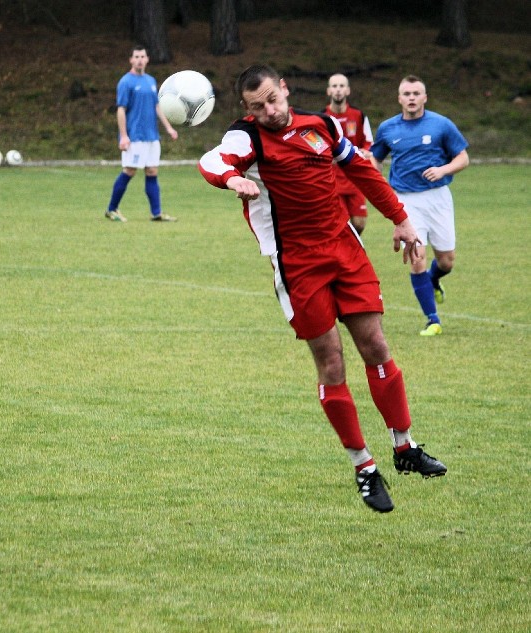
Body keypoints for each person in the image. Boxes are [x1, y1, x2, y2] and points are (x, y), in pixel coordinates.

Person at [198, 64, 447, 513]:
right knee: (331, 360)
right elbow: (211, 160)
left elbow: (364, 172)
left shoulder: (322, 126)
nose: (270, 111)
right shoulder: (246, 137)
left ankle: (404, 447)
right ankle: (364, 466)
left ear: (285, 89)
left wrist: (401, 218)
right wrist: (232, 177)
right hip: (297, 264)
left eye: (274, 99)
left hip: (344, 250)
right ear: (246, 109)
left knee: (376, 344)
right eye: (258, 106)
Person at [371, 75, 469, 337]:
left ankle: (434, 279)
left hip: (438, 198)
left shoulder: (441, 125)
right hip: (406, 202)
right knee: (417, 259)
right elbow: (375, 159)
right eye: (407, 93)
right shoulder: (388, 128)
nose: (412, 98)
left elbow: (463, 157)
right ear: (399, 98)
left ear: (425, 97)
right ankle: (432, 319)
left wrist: (443, 169)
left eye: (416, 93)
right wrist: (378, 186)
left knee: (446, 261)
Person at [105, 45, 179, 223]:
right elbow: (121, 109)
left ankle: (157, 213)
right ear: (131, 60)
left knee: (152, 171)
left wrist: (168, 127)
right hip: (135, 136)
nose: (139, 59)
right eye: (136, 56)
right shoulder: (126, 82)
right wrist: (123, 136)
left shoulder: (151, 81)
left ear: (147, 59)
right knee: (129, 170)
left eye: (142, 56)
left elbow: (156, 106)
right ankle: (111, 209)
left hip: (152, 136)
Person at [324, 73, 374, 234]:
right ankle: (344, 255)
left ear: (348, 91)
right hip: (332, 179)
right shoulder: (322, 118)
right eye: (334, 86)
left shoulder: (358, 115)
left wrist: (366, 152)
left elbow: (368, 142)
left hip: (355, 177)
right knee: (339, 224)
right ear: (328, 91)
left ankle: (350, 249)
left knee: (359, 223)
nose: (338, 90)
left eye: (341, 86)